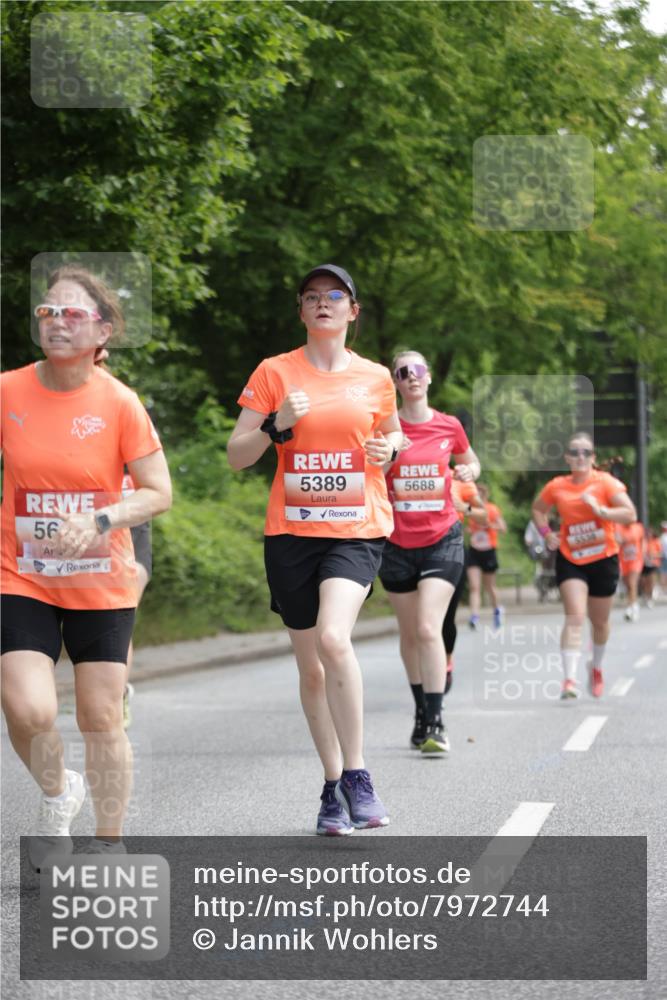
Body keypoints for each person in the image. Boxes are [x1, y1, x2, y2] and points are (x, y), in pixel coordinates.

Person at [1, 265, 172, 868]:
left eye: (73, 314)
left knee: (100, 716)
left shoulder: (119, 403)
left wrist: (100, 520)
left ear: (102, 333)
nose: (57, 323)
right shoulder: (9, 390)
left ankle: (108, 841)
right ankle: (57, 791)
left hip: (101, 581)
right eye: (49, 312)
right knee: (28, 708)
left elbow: (158, 492)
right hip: (22, 573)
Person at [227, 264, 402, 836]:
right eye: (311, 297)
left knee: (334, 638)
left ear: (353, 311)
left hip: (357, 527)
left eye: (335, 296)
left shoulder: (376, 377)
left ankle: (358, 775)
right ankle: (332, 787)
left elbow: (393, 434)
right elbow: (237, 454)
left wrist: (390, 449)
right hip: (292, 535)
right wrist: (277, 425)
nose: (322, 304)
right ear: (301, 312)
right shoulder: (275, 372)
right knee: (310, 671)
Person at [379, 350, 480, 755]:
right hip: (396, 545)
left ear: (429, 377)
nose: (411, 377)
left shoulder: (448, 425)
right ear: (396, 382)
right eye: (402, 372)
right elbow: (369, 475)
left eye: (417, 370)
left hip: (442, 538)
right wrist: (392, 452)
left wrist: (470, 471)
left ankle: (436, 722)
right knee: (409, 634)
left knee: (426, 628)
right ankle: (421, 710)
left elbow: (469, 461)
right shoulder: (385, 427)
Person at [532, 432, 636, 700]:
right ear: (566, 457)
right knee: (575, 616)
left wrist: (601, 511)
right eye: (574, 452)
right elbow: (538, 509)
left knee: (600, 623)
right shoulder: (557, 486)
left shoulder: (605, 483)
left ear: (593, 458)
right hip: (572, 558)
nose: (580, 457)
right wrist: (546, 533)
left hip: (604, 558)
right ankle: (569, 680)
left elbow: (629, 513)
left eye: (585, 453)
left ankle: (596, 667)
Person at [442, 478, 488, 691]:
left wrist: (464, 507)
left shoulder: (460, 481)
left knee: (447, 618)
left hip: (453, 553)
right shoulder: (403, 471)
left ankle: (446, 662)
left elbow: (484, 515)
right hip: (411, 554)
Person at [467, 483, 507, 631]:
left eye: (478, 494)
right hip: (474, 550)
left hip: (489, 550)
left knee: (489, 586)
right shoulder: (470, 510)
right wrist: (469, 530)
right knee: (474, 586)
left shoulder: (491, 509)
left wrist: (490, 526)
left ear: (484, 495)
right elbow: (468, 527)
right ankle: (474, 616)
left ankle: (497, 610)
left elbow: (503, 528)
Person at [616, 520, 645, 622]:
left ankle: (632, 608)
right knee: (628, 585)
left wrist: (643, 555)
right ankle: (633, 604)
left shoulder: (638, 527)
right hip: (624, 561)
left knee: (632, 583)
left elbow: (643, 541)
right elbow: (616, 541)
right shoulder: (618, 526)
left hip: (636, 560)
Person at [640, 527, 661, 608]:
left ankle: (650, 598)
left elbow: (660, 553)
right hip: (644, 564)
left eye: (649, 533)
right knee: (644, 582)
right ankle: (645, 596)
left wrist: (653, 555)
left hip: (653, 564)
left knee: (650, 581)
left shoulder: (656, 541)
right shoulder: (643, 542)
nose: (648, 534)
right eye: (647, 533)